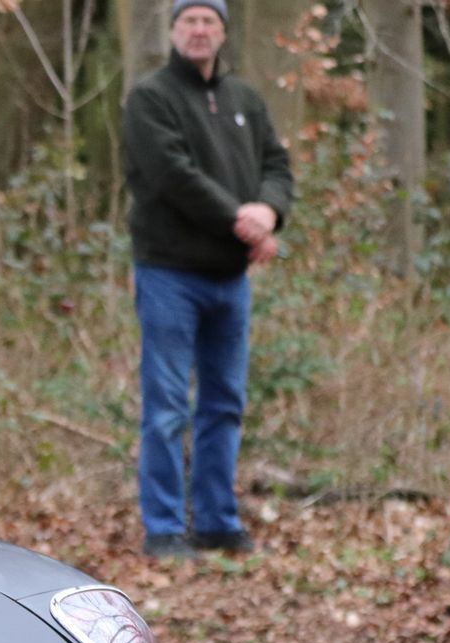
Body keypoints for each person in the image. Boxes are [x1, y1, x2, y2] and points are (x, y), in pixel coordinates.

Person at [123, 0, 292, 558]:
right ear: (173, 30)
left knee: (224, 404)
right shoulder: (151, 97)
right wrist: (241, 221)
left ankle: (218, 521)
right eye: (189, 21)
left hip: (229, 280)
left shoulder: (245, 98)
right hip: (169, 273)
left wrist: (269, 211)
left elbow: (277, 165)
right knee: (167, 407)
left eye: (209, 22)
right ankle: (165, 530)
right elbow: (173, 174)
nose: (199, 31)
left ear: (223, 32)